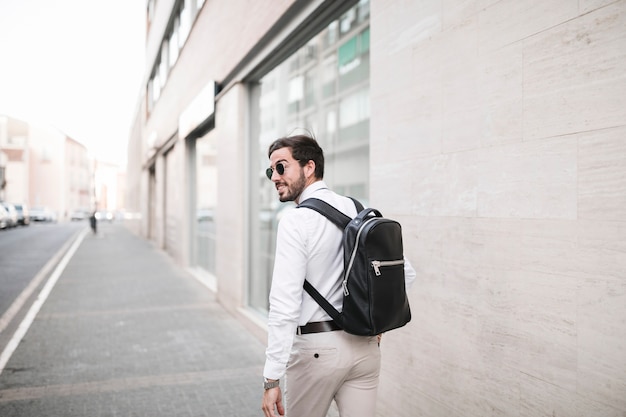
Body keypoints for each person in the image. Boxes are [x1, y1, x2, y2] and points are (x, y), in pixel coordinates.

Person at [261, 134, 416, 417]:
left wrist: (272, 377)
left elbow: (284, 305)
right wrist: (375, 325)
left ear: (309, 167)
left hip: (316, 352)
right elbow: (405, 273)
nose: (274, 177)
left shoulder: (296, 221)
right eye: (271, 170)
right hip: (365, 348)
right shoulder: (358, 210)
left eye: (281, 167)